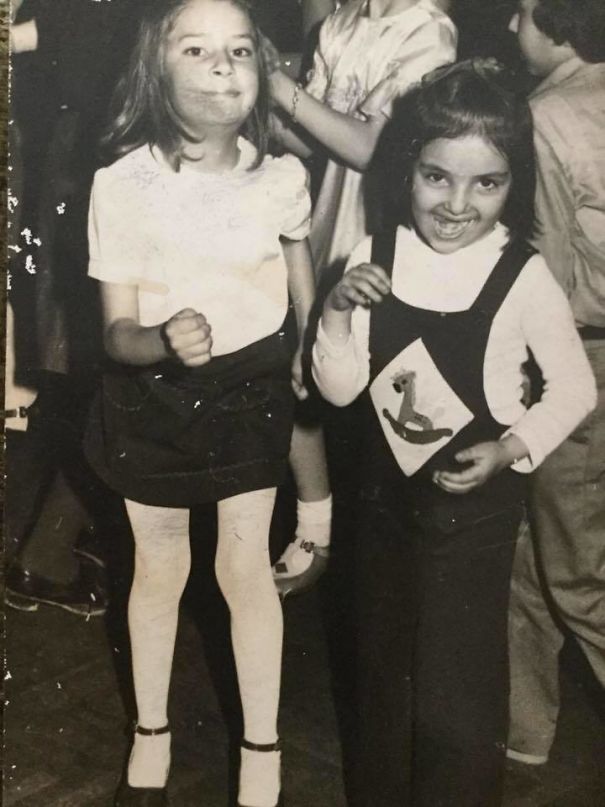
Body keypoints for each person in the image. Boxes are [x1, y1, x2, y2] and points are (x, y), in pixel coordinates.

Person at [311, 60, 596, 806]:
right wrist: (336, 311)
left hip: (471, 519)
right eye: (437, 177)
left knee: (455, 689)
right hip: (380, 509)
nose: (457, 204)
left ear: (513, 184)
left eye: (486, 184)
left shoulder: (520, 274)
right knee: (378, 672)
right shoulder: (373, 257)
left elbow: (575, 387)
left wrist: (510, 446)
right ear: (407, 169)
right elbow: (339, 388)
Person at [83, 1, 315, 804]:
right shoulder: (122, 185)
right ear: (157, 69)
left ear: (263, 68)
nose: (223, 66)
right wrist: (163, 339)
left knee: (244, 566)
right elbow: (115, 332)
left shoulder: (282, 176)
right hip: (153, 389)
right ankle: (151, 730)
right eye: (197, 49)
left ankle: (262, 751)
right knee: (159, 566)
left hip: (248, 390)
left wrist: (315, 341)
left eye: (240, 50)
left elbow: (297, 282)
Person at [268, 0, 457, 588]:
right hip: (327, 227)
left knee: (384, 399)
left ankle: (385, 558)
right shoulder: (342, 22)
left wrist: (277, 86)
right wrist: (259, 111)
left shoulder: (428, 31)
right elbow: (316, 140)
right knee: (307, 368)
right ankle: (319, 530)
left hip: (386, 236)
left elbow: (373, 148)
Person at [505, 0, 605, 766]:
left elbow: (551, 279)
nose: (511, 27)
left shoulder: (543, 116)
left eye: (524, 14)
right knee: (529, 553)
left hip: (577, 357)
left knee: (574, 575)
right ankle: (525, 731)